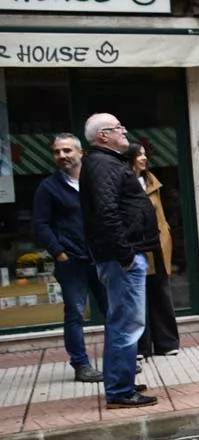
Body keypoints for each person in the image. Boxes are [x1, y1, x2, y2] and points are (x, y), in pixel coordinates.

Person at [79, 113, 158, 408]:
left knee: (123, 321)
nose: (125, 132)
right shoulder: (102, 164)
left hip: (123, 255)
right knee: (126, 323)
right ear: (103, 135)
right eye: (118, 128)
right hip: (122, 258)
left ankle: (121, 382)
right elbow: (106, 212)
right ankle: (120, 391)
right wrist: (125, 254)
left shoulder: (104, 163)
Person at [32, 133, 107, 383]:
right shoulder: (49, 187)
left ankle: (118, 360)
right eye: (57, 152)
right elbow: (41, 225)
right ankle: (81, 365)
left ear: (80, 153)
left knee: (113, 312)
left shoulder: (95, 181)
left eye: (67, 151)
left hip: (102, 258)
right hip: (71, 261)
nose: (62, 156)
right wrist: (59, 252)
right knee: (74, 313)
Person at [126, 142, 179, 357]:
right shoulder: (124, 183)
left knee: (161, 293)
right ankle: (141, 347)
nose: (144, 158)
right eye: (139, 155)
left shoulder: (151, 182)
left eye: (145, 154)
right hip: (136, 246)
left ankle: (167, 344)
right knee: (138, 297)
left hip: (157, 244)